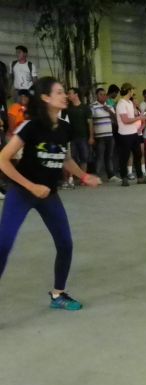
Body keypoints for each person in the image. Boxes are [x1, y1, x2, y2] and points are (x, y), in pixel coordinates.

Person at [0, 77, 101, 310]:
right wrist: (31, 186)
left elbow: (64, 158)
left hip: (49, 195)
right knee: (3, 245)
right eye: (59, 92)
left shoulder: (65, 128)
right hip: (21, 192)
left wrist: (84, 176)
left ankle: (58, 295)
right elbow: (3, 160)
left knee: (65, 244)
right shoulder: (31, 126)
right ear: (45, 97)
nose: (65, 96)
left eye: (64, 92)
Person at [116, 83, 146, 186]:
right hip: (124, 134)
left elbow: (133, 115)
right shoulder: (121, 103)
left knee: (138, 155)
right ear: (129, 91)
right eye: (132, 90)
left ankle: (140, 177)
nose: (133, 92)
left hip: (134, 133)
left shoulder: (130, 103)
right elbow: (125, 120)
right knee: (124, 157)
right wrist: (139, 118)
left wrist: (139, 113)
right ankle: (124, 178)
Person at [90, 88, 118, 181]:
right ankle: (96, 177)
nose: (103, 96)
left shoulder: (109, 106)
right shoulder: (92, 106)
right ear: (96, 96)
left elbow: (116, 120)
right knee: (99, 157)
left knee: (109, 156)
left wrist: (109, 110)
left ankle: (111, 175)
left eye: (105, 94)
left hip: (109, 135)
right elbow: (90, 122)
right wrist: (92, 136)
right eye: (101, 94)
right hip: (99, 136)